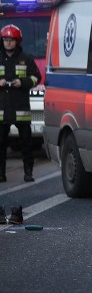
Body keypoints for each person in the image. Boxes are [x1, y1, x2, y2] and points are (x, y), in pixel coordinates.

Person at [0, 24, 42, 182]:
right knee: (1, 144)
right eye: (6, 40)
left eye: (11, 40)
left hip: (20, 108)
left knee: (26, 143)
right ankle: (1, 174)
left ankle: (28, 172)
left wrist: (22, 82)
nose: (8, 43)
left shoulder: (26, 59)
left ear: (17, 41)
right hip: (2, 109)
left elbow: (36, 77)